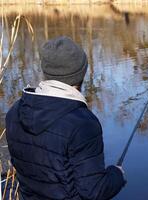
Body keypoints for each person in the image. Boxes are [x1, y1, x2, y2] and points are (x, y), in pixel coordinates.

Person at [5, 36, 126, 200]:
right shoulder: (83, 125)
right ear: (81, 73)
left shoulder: (15, 111)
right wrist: (116, 174)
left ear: (46, 70)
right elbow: (94, 191)